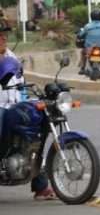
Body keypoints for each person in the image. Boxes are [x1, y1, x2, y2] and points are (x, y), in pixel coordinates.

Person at [0, 26, 57, 200]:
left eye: (3, 34)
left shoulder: (11, 57)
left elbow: (20, 83)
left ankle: (40, 186)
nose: (2, 38)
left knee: (39, 123)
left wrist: (29, 99)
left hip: (15, 104)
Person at [77, 8, 100, 73]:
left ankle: (82, 68)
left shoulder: (87, 26)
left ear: (91, 17)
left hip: (89, 48)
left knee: (82, 52)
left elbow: (81, 35)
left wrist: (80, 35)